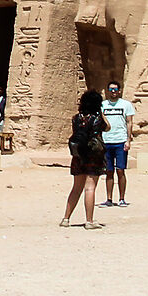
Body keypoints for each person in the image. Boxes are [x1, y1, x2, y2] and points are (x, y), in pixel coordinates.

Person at [62, 89, 106, 229]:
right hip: (93, 155)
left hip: (78, 155)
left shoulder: (76, 118)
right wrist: (101, 113)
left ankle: (66, 218)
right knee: (90, 188)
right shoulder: (97, 119)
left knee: (76, 188)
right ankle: (89, 221)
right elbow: (108, 128)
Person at [99, 81, 135, 207]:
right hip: (106, 141)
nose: (113, 91)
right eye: (110, 89)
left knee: (120, 170)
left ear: (119, 91)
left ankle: (122, 198)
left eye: (115, 89)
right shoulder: (102, 105)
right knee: (109, 171)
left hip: (120, 141)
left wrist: (128, 139)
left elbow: (129, 122)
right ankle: (109, 199)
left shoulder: (126, 105)